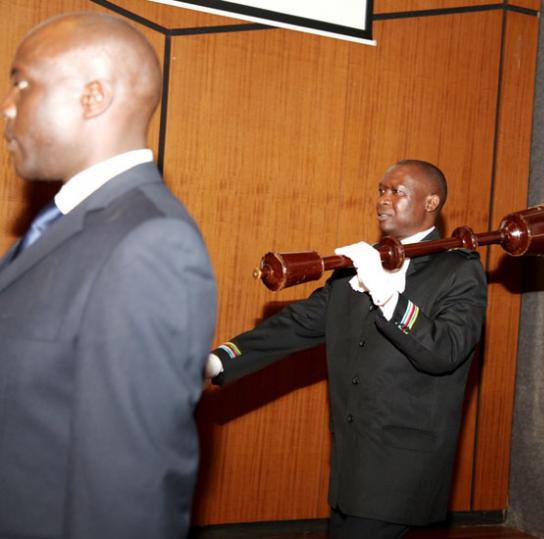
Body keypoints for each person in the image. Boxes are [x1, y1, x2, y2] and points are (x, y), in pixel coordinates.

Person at [0, 12, 216, 539]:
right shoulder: (60, 228)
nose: (7, 107)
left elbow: (130, 494)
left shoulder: (150, 244)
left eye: (22, 83)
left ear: (93, 97)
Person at [206, 159, 487, 538]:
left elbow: (445, 351)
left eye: (397, 192)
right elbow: (299, 323)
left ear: (431, 202)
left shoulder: (457, 269)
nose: (383, 200)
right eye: (381, 190)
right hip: (352, 462)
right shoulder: (359, 264)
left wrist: (387, 295)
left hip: (404, 463)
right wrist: (220, 360)